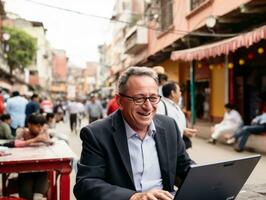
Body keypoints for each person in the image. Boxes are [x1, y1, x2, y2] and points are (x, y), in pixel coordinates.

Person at [74, 66, 194, 200]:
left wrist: (210, 176)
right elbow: (86, 184)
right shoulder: (96, 134)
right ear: (120, 101)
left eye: (153, 98)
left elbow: (185, 167)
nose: (148, 106)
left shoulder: (169, 126)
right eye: (139, 98)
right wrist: (135, 197)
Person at [15, 113, 52, 200]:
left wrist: (45, 137)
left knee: (43, 173)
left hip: (39, 166)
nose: (39, 128)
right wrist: (35, 139)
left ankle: (38, 196)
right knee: (26, 179)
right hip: (25, 167)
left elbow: (50, 142)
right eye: (37, 126)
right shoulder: (22, 132)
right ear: (29, 125)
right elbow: (16, 143)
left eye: (41, 126)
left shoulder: (43, 132)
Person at [157, 81, 197, 149]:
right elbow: (160, 126)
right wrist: (182, 131)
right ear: (173, 93)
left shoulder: (175, 105)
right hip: (169, 145)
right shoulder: (161, 105)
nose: (180, 93)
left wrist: (184, 130)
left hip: (178, 143)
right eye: (179, 91)